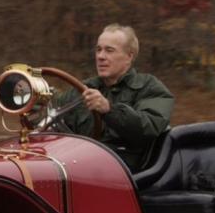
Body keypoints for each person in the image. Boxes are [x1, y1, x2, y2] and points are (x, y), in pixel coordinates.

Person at [51, 24, 174, 171]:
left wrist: (109, 110)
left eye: (109, 50)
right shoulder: (84, 88)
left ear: (129, 56)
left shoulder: (149, 87)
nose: (101, 56)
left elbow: (147, 128)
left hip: (124, 172)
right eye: (98, 49)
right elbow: (53, 112)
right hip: (76, 165)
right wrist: (30, 97)